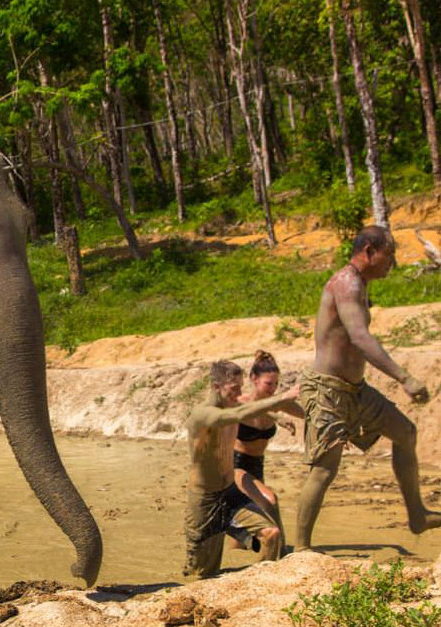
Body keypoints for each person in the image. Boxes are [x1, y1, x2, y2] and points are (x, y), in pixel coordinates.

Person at [295, 225, 439, 550]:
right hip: (327, 390)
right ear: (370, 251)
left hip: (355, 391)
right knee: (324, 469)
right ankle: (300, 550)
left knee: (405, 432)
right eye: (391, 255)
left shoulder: (359, 284)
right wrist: (404, 377)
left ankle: (417, 515)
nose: (394, 262)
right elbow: (360, 338)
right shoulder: (346, 283)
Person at [183, 360, 300, 579]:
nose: (239, 393)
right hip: (205, 501)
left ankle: (256, 584)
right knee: (203, 574)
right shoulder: (203, 414)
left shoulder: (234, 404)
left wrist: (278, 417)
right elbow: (235, 416)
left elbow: (246, 408)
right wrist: (281, 399)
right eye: (233, 388)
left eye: (240, 386)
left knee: (271, 534)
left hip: (231, 492)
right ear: (217, 387)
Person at [232, 350, 304, 549]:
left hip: (257, 467)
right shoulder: (238, 403)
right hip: (235, 465)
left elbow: (310, 416)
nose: (273, 389)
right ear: (254, 379)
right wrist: (276, 416)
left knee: (241, 541)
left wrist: (339, 432)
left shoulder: (279, 403)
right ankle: (282, 552)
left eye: (276, 384)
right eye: (268, 384)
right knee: (270, 500)